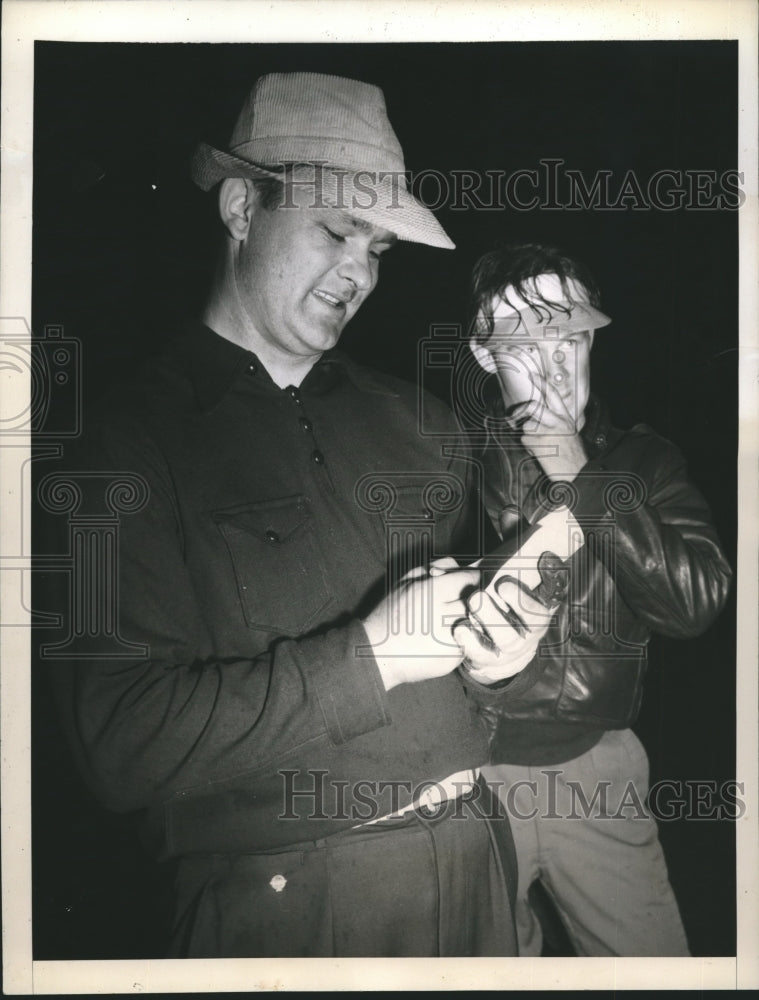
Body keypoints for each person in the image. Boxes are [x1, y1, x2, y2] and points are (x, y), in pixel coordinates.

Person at [42, 73, 552, 958]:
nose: (358, 272)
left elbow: (465, 656)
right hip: (294, 909)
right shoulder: (119, 446)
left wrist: (497, 662)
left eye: (380, 250)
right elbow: (118, 743)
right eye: (334, 230)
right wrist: (372, 657)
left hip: (479, 864)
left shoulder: (419, 422)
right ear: (242, 208)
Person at [465, 242, 733, 957]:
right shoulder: (440, 453)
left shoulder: (645, 460)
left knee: (652, 970)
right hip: (465, 771)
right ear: (486, 356)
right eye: (526, 342)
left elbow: (695, 602)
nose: (554, 365)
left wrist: (583, 479)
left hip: (598, 767)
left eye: (570, 336)